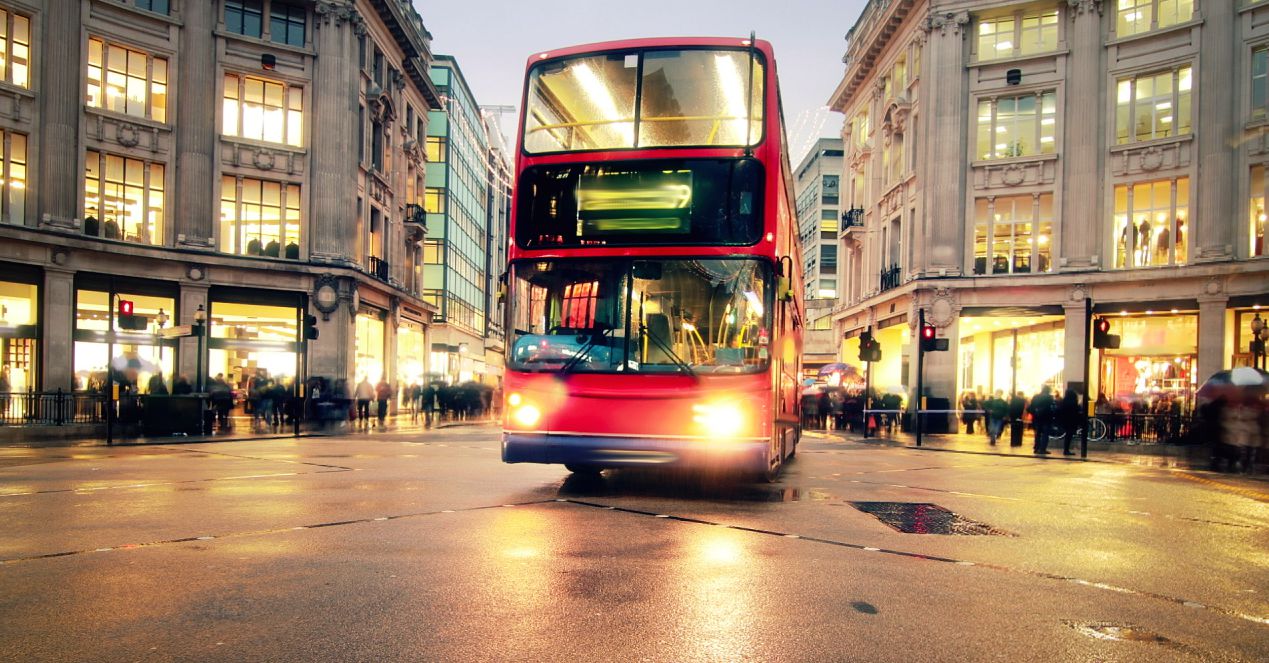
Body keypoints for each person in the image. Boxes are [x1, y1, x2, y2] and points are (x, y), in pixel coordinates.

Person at [1028, 385, 1055, 455]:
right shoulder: (1049, 398)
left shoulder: (1036, 397)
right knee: (1045, 434)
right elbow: (1052, 408)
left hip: (1037, 418)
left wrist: (1034, 413)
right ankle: (1042, 449)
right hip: (1046, 418)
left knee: (1038, 433)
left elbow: (1031, 407)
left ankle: (1036, 447)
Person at [1057, 388, 1082, 455]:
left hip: (1065, 420)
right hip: (1072, 421)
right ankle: (1066, 450)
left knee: (1068, 435)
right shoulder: (1073, 402)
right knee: (1069, 436)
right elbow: (1077, 411)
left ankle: (1066, 449)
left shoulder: (1064, 401)